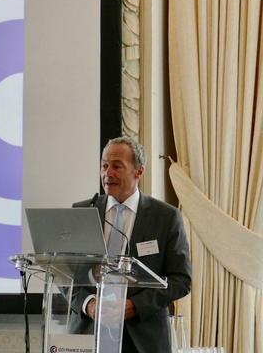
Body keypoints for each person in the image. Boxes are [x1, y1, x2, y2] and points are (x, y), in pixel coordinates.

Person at [68, 136, 191, 353]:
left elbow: (180, 280)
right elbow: (65, 274)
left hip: (144, 339)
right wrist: (89, 304)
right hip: (88, 335)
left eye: (117, 166)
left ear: (138, 172)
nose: (108, 173)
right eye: (104, 166)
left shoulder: (165, 217)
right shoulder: (83, 212)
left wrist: (136, 306)